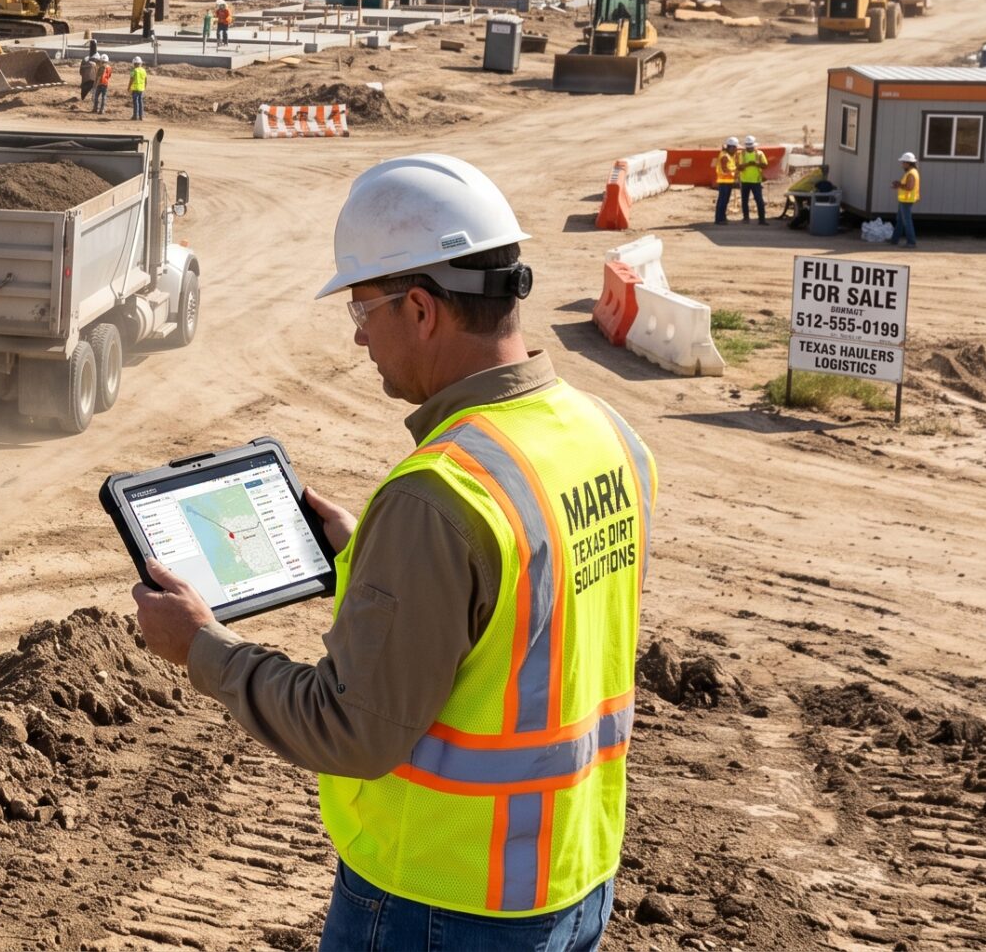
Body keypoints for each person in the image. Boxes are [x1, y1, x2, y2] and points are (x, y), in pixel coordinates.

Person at [134, 154, 654, 951]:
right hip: (569, 880)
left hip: (440, 901)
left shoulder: (438, 497)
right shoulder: (606, 434)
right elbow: (520, 616)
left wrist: (202, 647)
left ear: (419, 308)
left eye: (361, 307)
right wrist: (358, 555)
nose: (357, 335)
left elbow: (353, 729)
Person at [894, 151, 921, 248]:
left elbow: (909, 187)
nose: (902, 165)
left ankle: (911, 242)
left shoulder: (911, 174)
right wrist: (899, 185)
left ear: (907, 163)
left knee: (906, 221)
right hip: (905, 200)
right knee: (900, 221)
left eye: (903, 163)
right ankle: (894, 239)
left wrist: (899, 185)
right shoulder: (913, 172)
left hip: (907, 200)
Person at [736, 137, 767, 221]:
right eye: (748, 146)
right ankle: (746, 218)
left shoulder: (759, 153)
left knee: (759, 201)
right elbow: (739, 167)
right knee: (744, 201)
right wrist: (747, 165)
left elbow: (765, 165)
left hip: (756, 181)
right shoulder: (741, 154)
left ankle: (762, 219)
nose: (749, 148)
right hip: (745, 181)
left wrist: (756, 164)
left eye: (751, 146)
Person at [711, 139, 740, 225]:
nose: (736, 150)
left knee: (725, 200)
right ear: (731, 147)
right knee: (723, 200)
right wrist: (736, 170)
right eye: (735, 148)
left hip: (728, 181)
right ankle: (719, 219)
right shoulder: (725, 156)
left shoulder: (729, 155)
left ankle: (722, 217)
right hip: (724, 181)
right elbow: (725, 169)